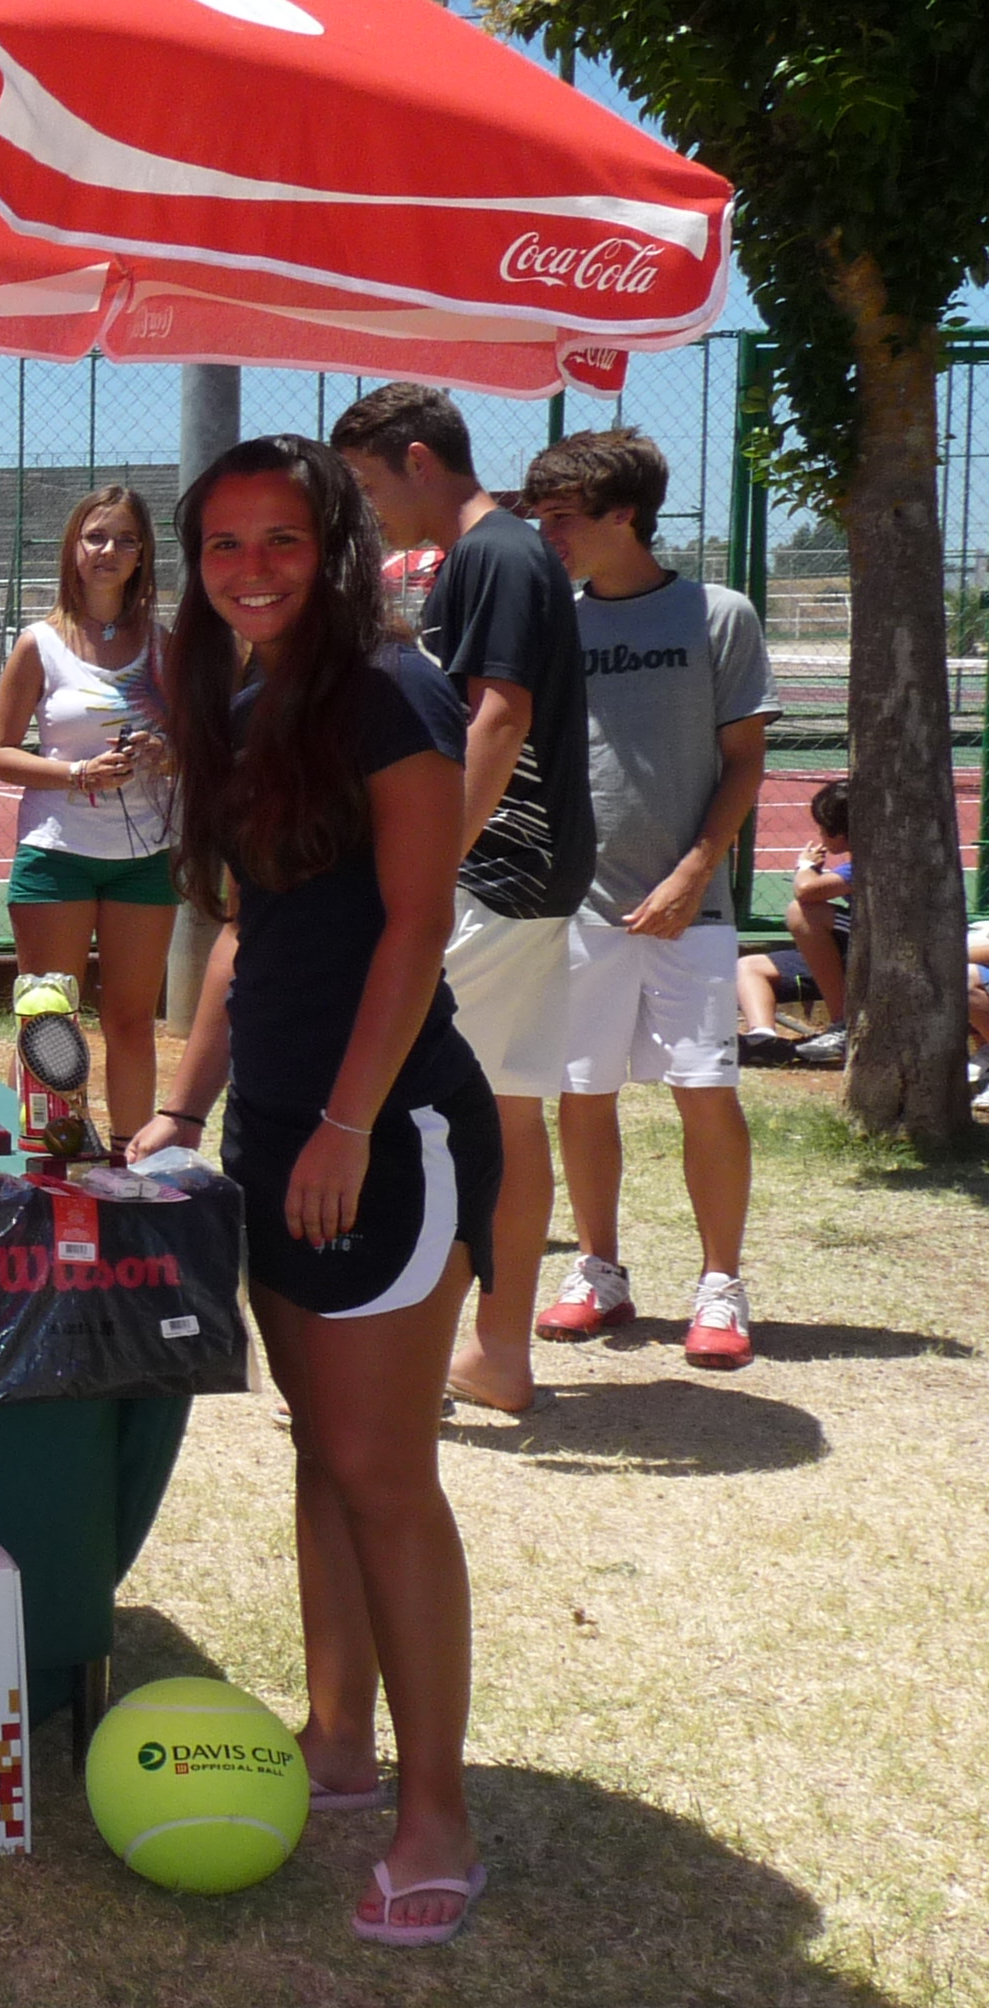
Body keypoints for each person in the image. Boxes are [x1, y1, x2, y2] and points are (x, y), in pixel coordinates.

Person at [129, 433, 497, 1947]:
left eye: (281, 539)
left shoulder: (391, 692)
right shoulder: (246, 699)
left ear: (335, 546)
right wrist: (181, 1106)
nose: (252, 570)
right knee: (320, 1452)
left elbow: (416, 923)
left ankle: (438, 1816)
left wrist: (349, 1122)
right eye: (223, 546)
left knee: (383, 1470)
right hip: (276, 1130)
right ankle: (339, 1742)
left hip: (387, 1135)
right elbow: (244, 928)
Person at [332, 383, 594, 1416]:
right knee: (505, 1113)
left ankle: (408, 1360)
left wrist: (430, 860)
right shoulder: (498, 556)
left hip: (492, 877)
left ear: (418, 459)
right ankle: (495, 1354)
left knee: (420, 1111)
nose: (365, 507)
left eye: (366, 482)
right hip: (522, 876)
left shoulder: (494, 553)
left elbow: (499, 716)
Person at [520, 431, 774, 1372]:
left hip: (687, 908)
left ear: (624, 515)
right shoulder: (551, 623)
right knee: (582, 1093)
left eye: (563, 518)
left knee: (705, 1091)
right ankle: (600, 1272)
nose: (547, 536)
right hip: (575, 906)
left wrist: (694, 871)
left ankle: (721, 1285)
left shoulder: (719, 614)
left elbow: (745, 761)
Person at [0, 487, 177, 1135]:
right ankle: (44, 1159)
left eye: (125, 540)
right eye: (96, 537)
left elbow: (199, 750)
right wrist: (77, 774)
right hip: (55, 855)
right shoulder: (39, 644)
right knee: (48, 1019)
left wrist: (164, 755)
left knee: (131, 1023)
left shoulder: (163, 646)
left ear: (142, 554)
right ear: (73, 546)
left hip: (144, 860)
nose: (108, 551)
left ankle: (128, 1162)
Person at [734, 779, 853, 1067]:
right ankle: (762, 1039)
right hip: (842, 955)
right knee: (748, 966)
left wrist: (806, 867)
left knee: (801, 912)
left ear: (841, 832)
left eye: (822, 828)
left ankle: (844, 1025)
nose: (819, 834)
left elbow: (806, 890)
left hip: (874, 951)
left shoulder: (874, 862)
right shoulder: (852, 863)